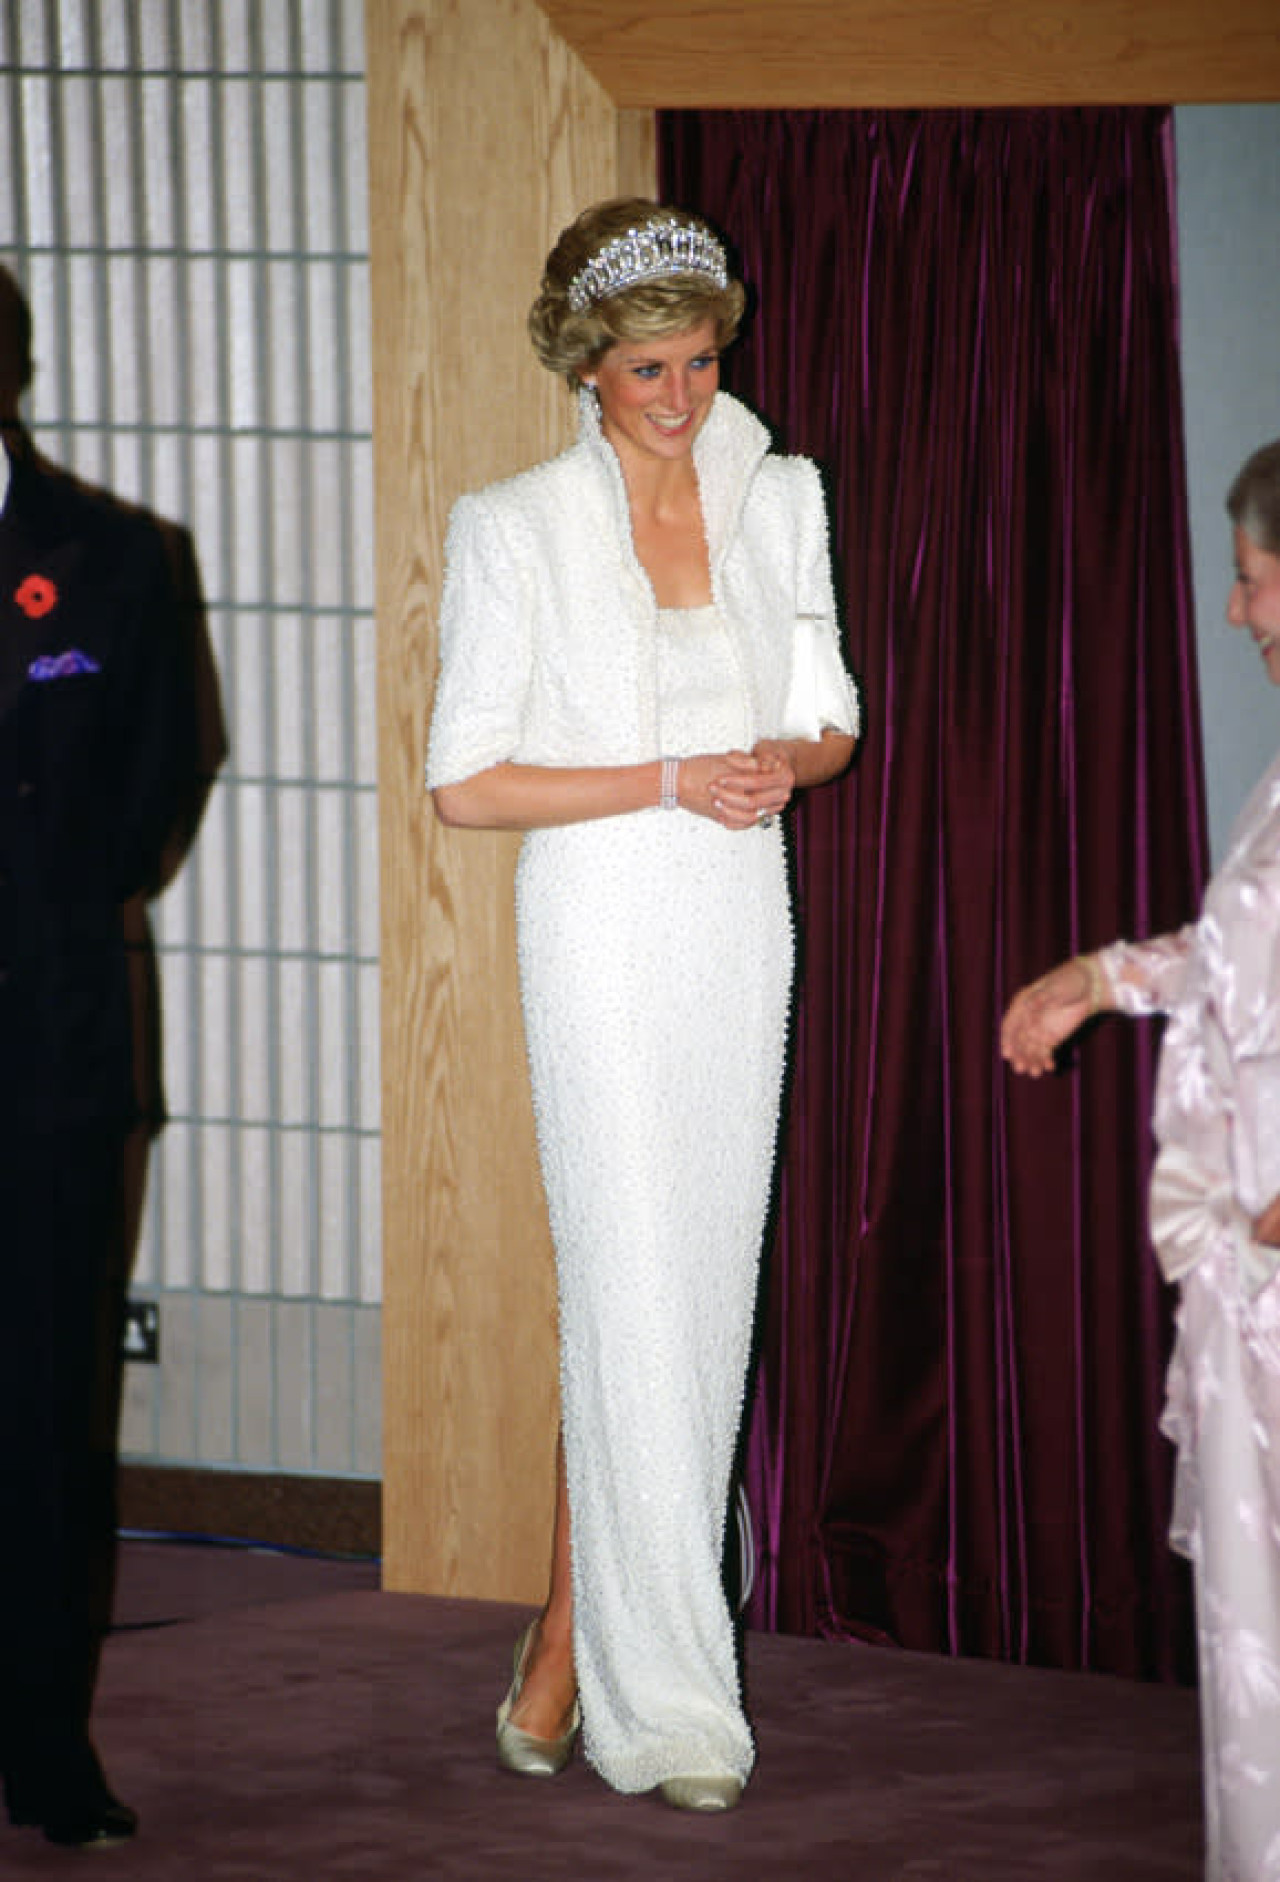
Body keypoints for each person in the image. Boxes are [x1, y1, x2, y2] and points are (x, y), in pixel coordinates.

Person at [427, 198, 860, 1811]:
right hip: (600, 923)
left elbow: (828, 716)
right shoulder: (514, 521)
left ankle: (565, 1630)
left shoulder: (782, 495)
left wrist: (777, 761)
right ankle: (669, 1703)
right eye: (643, 370)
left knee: (694, 1292)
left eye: (697, 360)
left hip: (740, 913)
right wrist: (669, 775)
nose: (680, 397)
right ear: (584, 368)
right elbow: (466, 786)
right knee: (628, 1283)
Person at [1001, 439, 1280, 1880]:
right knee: (1255, 1637)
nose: (1235, 612)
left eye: (1249, 580)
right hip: (1248, 1258)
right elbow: (1241, 964)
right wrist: (1093, 980)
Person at [0, 265, 206, 1848]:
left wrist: (46, 913)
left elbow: (161, 772)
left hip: (48, 1054)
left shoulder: (121, 558)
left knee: (45, 1410)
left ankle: (44, 1744)